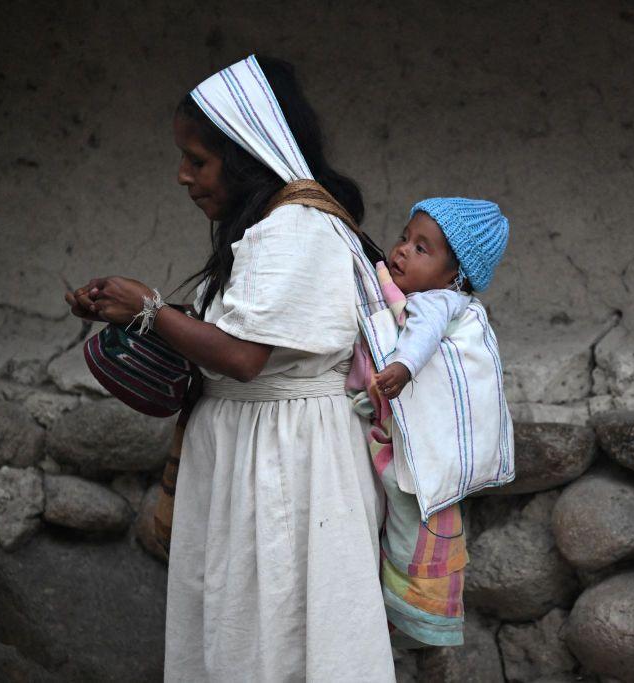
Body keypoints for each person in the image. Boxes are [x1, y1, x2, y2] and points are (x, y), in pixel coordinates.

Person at [64, 55, 396, 681]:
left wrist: (150, 308)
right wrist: (130, 315)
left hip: (287, 460)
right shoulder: (271, 229)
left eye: (199, 159)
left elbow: (243, 358)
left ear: (244, 156)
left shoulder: (297, 229)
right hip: (256, 450)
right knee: (247, 628)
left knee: (281, 627)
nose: (183, 176)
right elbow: (233, 339)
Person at [347, 198, 509, 648]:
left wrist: (403, 366)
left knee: (408, 527)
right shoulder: (404, 300)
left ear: (455, 276)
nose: (401, 251)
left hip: (411, 458)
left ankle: (411, 605)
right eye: (404, 238)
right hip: (392, 435)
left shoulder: (441, 302)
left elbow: (421, 335)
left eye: (422, 249)